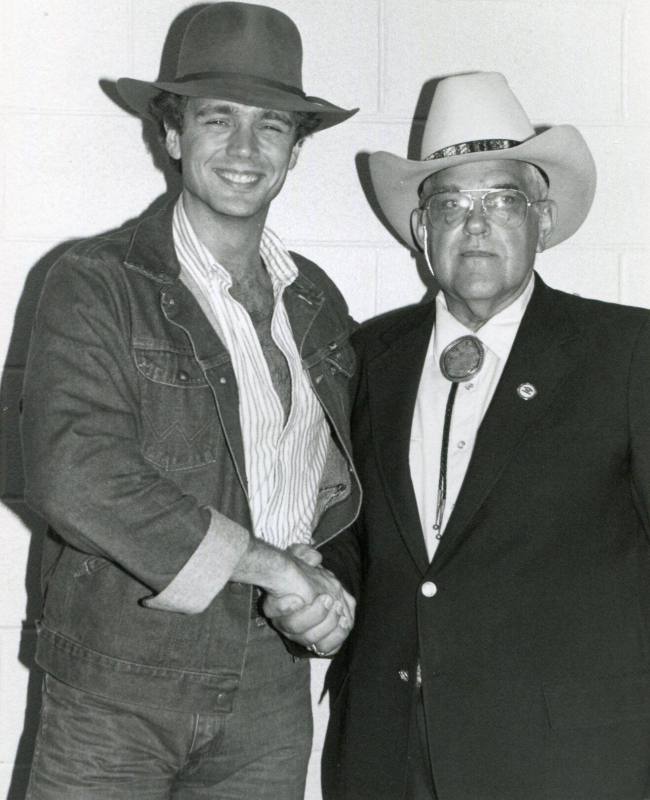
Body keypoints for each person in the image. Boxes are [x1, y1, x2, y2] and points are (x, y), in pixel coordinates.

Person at [265, 71, 650, 800]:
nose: (476, 224)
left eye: (503, 200)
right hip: (384, 752)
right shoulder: (368, 354)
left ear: (543, 219)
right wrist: (318, 592)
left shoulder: (627, 353)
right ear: (421, 230)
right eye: (451, 203)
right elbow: (358, 533)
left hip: (566, 764)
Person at [20, 3, 360, 798]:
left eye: (271, 126)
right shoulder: (94, 282)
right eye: (218, 120)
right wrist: (273, 567)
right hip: (119, 687)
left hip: (272, 692)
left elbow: (330, 486)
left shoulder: (317, 301)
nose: (245, 149)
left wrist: (322, 587)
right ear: (172, 135)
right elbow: (76, 476)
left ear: (295, 150)